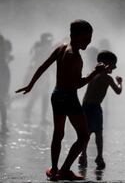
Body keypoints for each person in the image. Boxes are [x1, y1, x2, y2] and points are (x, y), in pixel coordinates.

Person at [16, 20, 108, 181]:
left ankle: (54, 169)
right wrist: (95, 72)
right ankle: (64, 170)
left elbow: (43, 66)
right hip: (69, 97)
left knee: (58, 133)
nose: (89, 41)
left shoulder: (61, 48)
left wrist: (31, 84)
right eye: (86, 38)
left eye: (90, 38)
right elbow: (78, 84)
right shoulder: (75, 57)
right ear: (76, 35)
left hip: (57, 94)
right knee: (84, 136)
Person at [78, 50, 122, 169]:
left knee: (87, 133)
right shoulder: (107, 78)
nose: (115, 67)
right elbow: (118, 91)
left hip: (86, 106)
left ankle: (84, 155)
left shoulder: (93, 74)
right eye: (113, 65)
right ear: (107, 64)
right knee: (98, 134)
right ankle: (98, 156)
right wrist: (120, 83)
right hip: (94, 108)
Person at [24, 33, 54, 125]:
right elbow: (40, 63)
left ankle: (40, 116)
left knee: (43, 96)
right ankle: (29, 110)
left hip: (44, 75)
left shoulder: (45, 49)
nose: (50, 42)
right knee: (38, 95)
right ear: (44, 41)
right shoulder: (41, 50)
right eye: (49, 41)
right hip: (40, 76)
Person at [0, 33, 12, 132]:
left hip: (3, 72)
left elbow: (9, 56)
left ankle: (4, 124)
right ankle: (4, 125)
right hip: (4, 71)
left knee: (1, 99)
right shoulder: (5, 44)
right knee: (1, 100)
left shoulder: (5, 44)